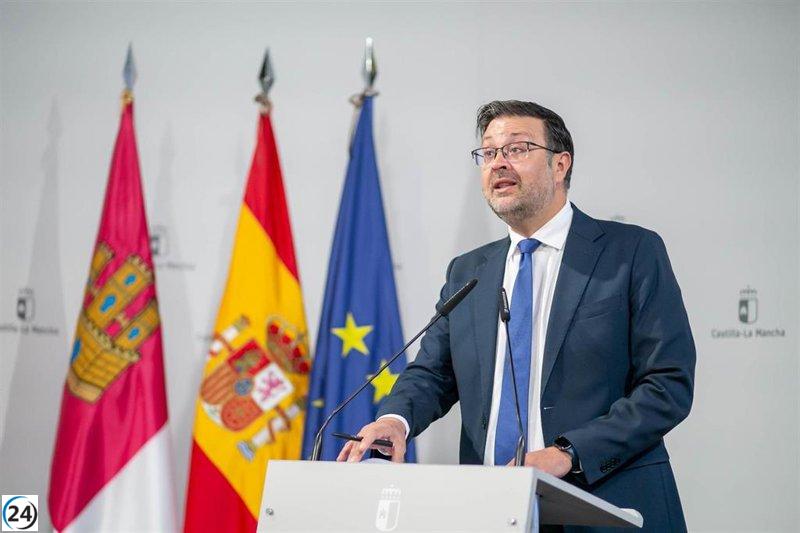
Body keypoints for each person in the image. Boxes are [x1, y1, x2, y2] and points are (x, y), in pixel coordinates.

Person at [337, 100, 695, 531]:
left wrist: (567, 453)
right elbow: (433, 372)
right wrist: (395, 421)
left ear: (560, 164)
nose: (498, 163)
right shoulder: (469, 271)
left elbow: (667, 384)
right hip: (493, 510)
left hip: (606, 503)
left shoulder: (630, 252)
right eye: (488, 152)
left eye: (518, 149)